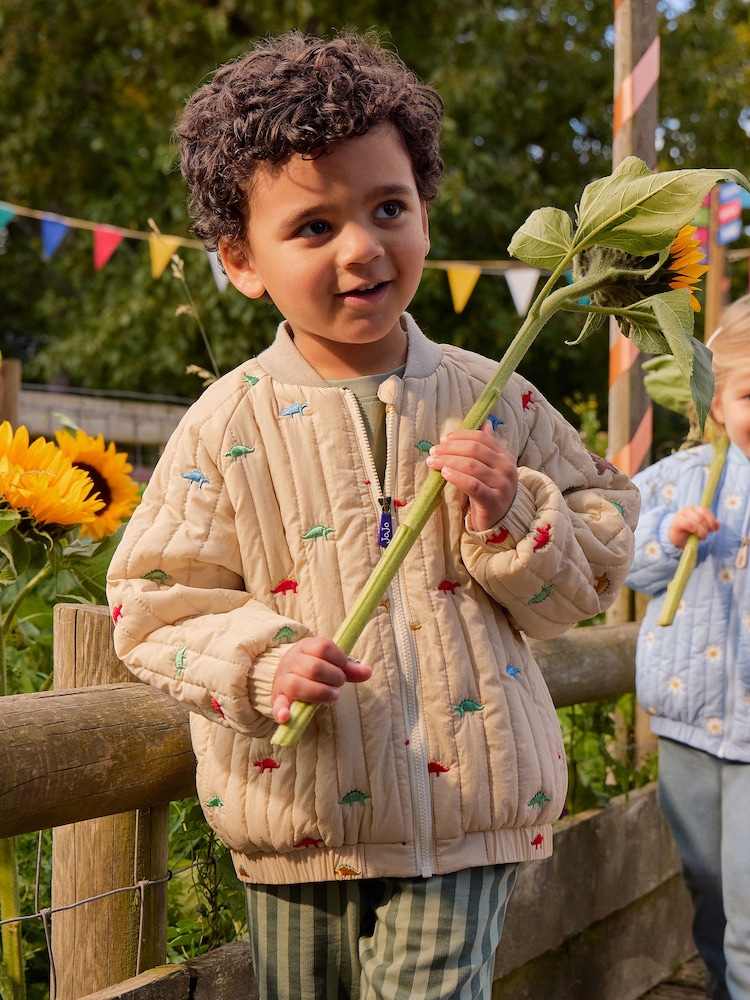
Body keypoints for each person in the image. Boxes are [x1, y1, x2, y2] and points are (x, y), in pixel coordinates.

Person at [106, 30, 639, 1000]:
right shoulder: (226, 422)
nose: (362, 246)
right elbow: (151, 605)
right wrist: (260, 663)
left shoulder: (496, 398)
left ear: (425, 214)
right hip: (296, 813)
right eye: (314, 226)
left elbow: (599, 553)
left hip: (466, 809)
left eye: (389, 207)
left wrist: (512, 508)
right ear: (241, 260)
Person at [625, 293, 750, 1000]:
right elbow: (621, 563)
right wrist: (670, 537)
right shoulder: (680, 478)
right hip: (686, 720)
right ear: (717, 401)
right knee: (707, 888)